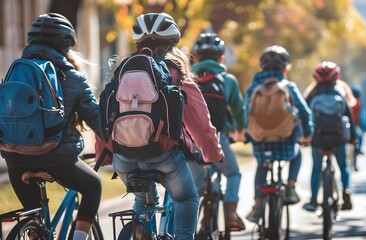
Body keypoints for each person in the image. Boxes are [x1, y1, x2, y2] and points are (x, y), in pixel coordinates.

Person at [110, 13, 223, 239]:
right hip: (162, 155)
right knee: (186, 198)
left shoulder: (122, 72)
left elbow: (106, 115)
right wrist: (211, 154)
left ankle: (141, 229)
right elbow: (201, 124)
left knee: (142, 197)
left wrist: (106, 155)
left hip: (123, 157)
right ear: (171, 45)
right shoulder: (176, 73)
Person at [1, 13, 102, 240]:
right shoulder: (73, 77)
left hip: (15, 160)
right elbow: (97, 120)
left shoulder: (14, 75)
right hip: (57, 158)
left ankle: (35, 231)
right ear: (66, 45)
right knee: (94, 186)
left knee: (35, 218)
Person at [245, 45, 313, 223]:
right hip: (286, 143)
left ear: (262, 67)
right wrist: (307, 134)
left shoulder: (253, 89)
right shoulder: (288, 86)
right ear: (285, 68)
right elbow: (305, 113)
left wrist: (248, 135)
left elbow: (247, 115)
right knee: (297, 156)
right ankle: (290, 187)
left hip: (261, 142)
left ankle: (258, 205)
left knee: (261, 166)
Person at [188, 32, 247, 231]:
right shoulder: (228, 80)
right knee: (233, 173)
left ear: (195, 58)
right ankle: (230, 213)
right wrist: (240, 132)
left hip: (191, 141)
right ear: (221, 58)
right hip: (218, 138)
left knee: (193, 190)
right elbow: (238, 111)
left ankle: (187, 227)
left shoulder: (185, 79)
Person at [303, 61, 357, 212]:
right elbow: (349, 117)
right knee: (343, 166)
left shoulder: (311, 94)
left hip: (318, 138)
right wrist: (353, 138)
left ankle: (313, 200)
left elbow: (304, 115)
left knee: (316, 168)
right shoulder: (340, 92)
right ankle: (346, 190)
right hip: (338, 137)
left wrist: (304, 137)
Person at [351, 86, 366, 171]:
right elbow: (362, 118)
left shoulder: (347, 102)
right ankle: (357, 151)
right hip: (354, 126)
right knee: (359, 137)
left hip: (346, 126)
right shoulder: (358, 104)